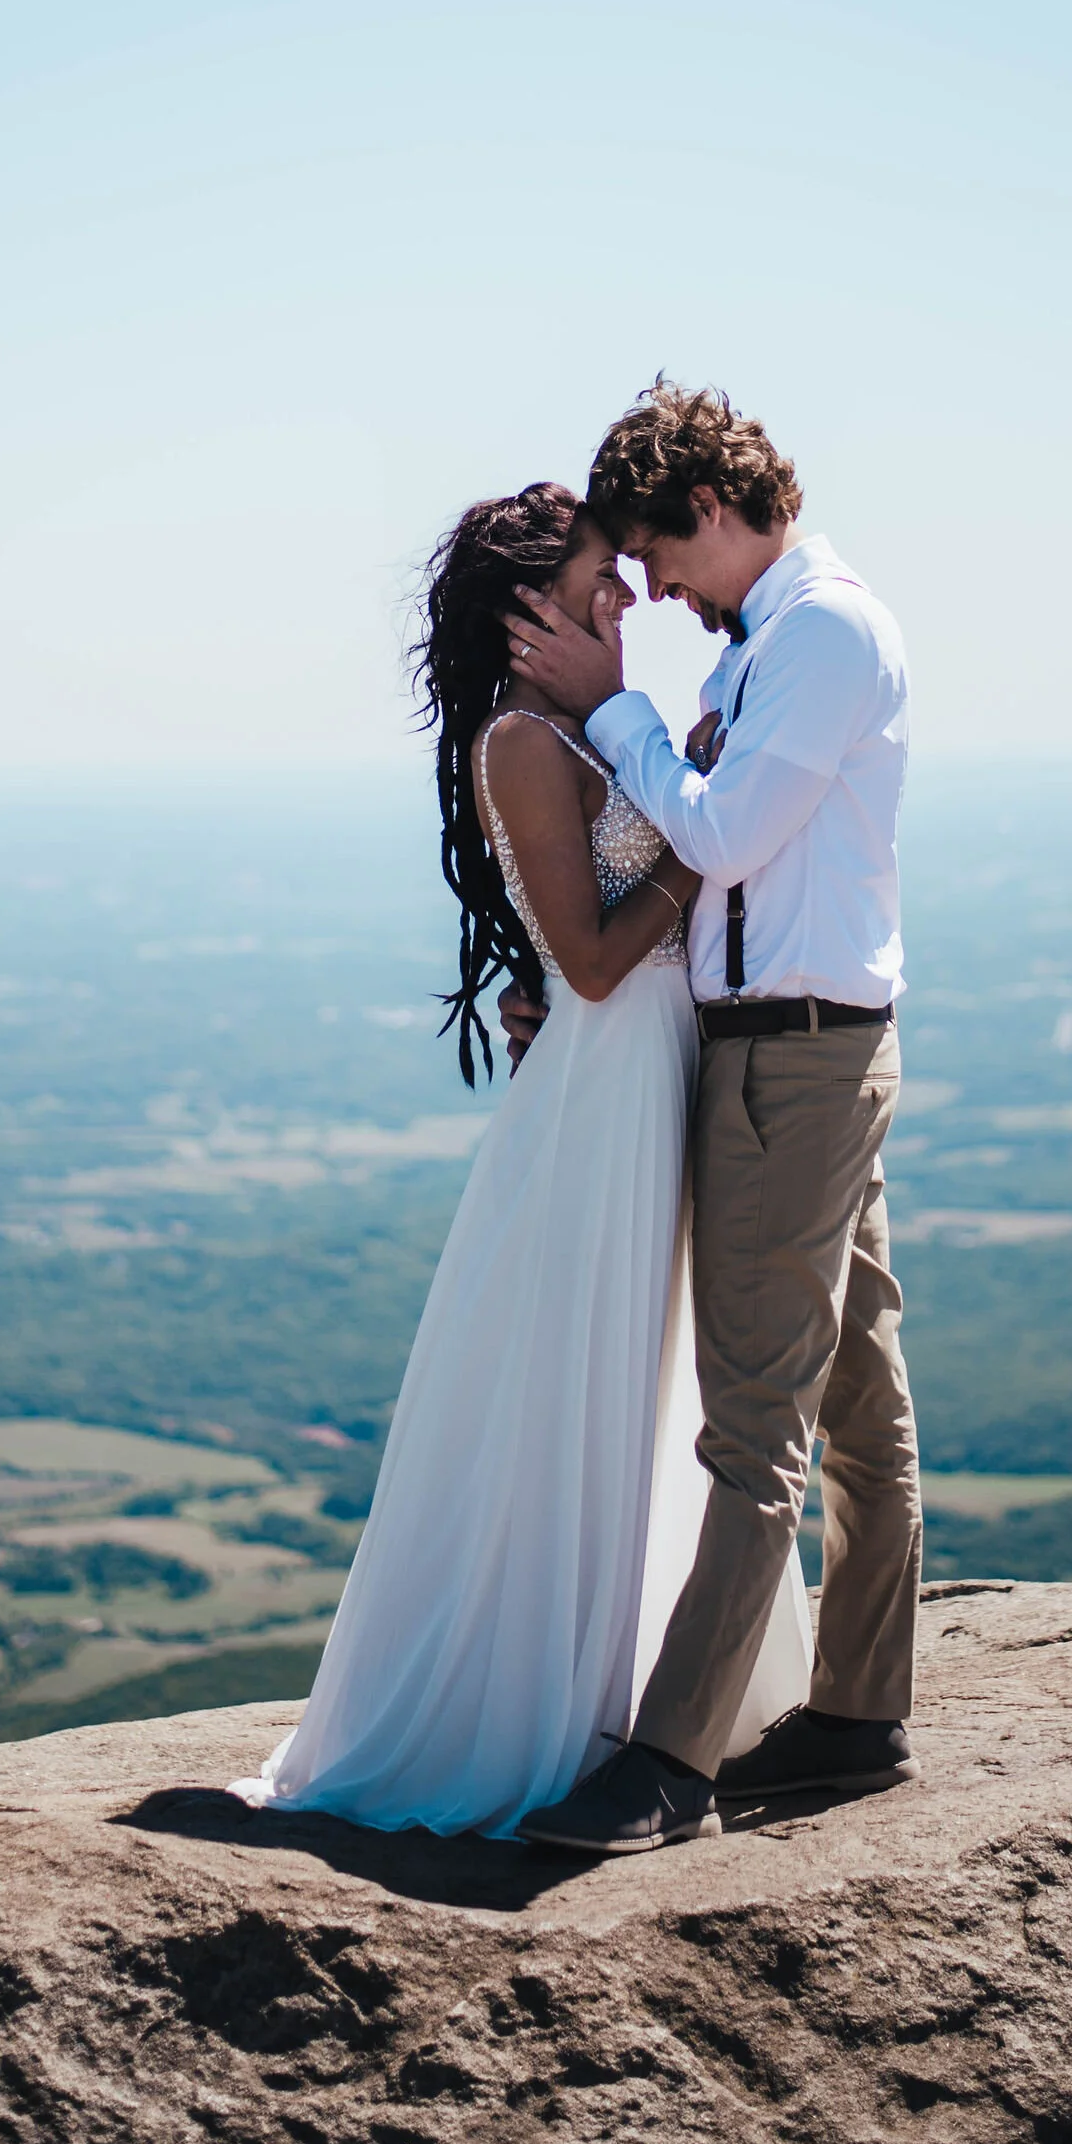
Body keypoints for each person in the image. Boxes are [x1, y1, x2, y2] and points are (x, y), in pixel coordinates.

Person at [230, 481, 810, 1838]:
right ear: (530, 608)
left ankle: (656, 1695)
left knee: (653, 1382)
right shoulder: (522, 744)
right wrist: (709, 843)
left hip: (646, 1077)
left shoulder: (576, 733)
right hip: (607, 1093)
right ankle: (543, 1706)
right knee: (583, 1385)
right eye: (601, 578)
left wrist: (676, 786)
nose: (624, 600)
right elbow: (598, 969)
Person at [500, 380, 921, 1860]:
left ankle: (669, 1761)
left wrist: (610, 713)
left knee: (753, 1426)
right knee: (855, 1388)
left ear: (705, 507)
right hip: (797, 1044)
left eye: (657, 558)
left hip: (794, 1062)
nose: (658, 591)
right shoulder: (778, 644)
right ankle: (860, 1715)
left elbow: (726, 839)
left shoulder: (820, 632)